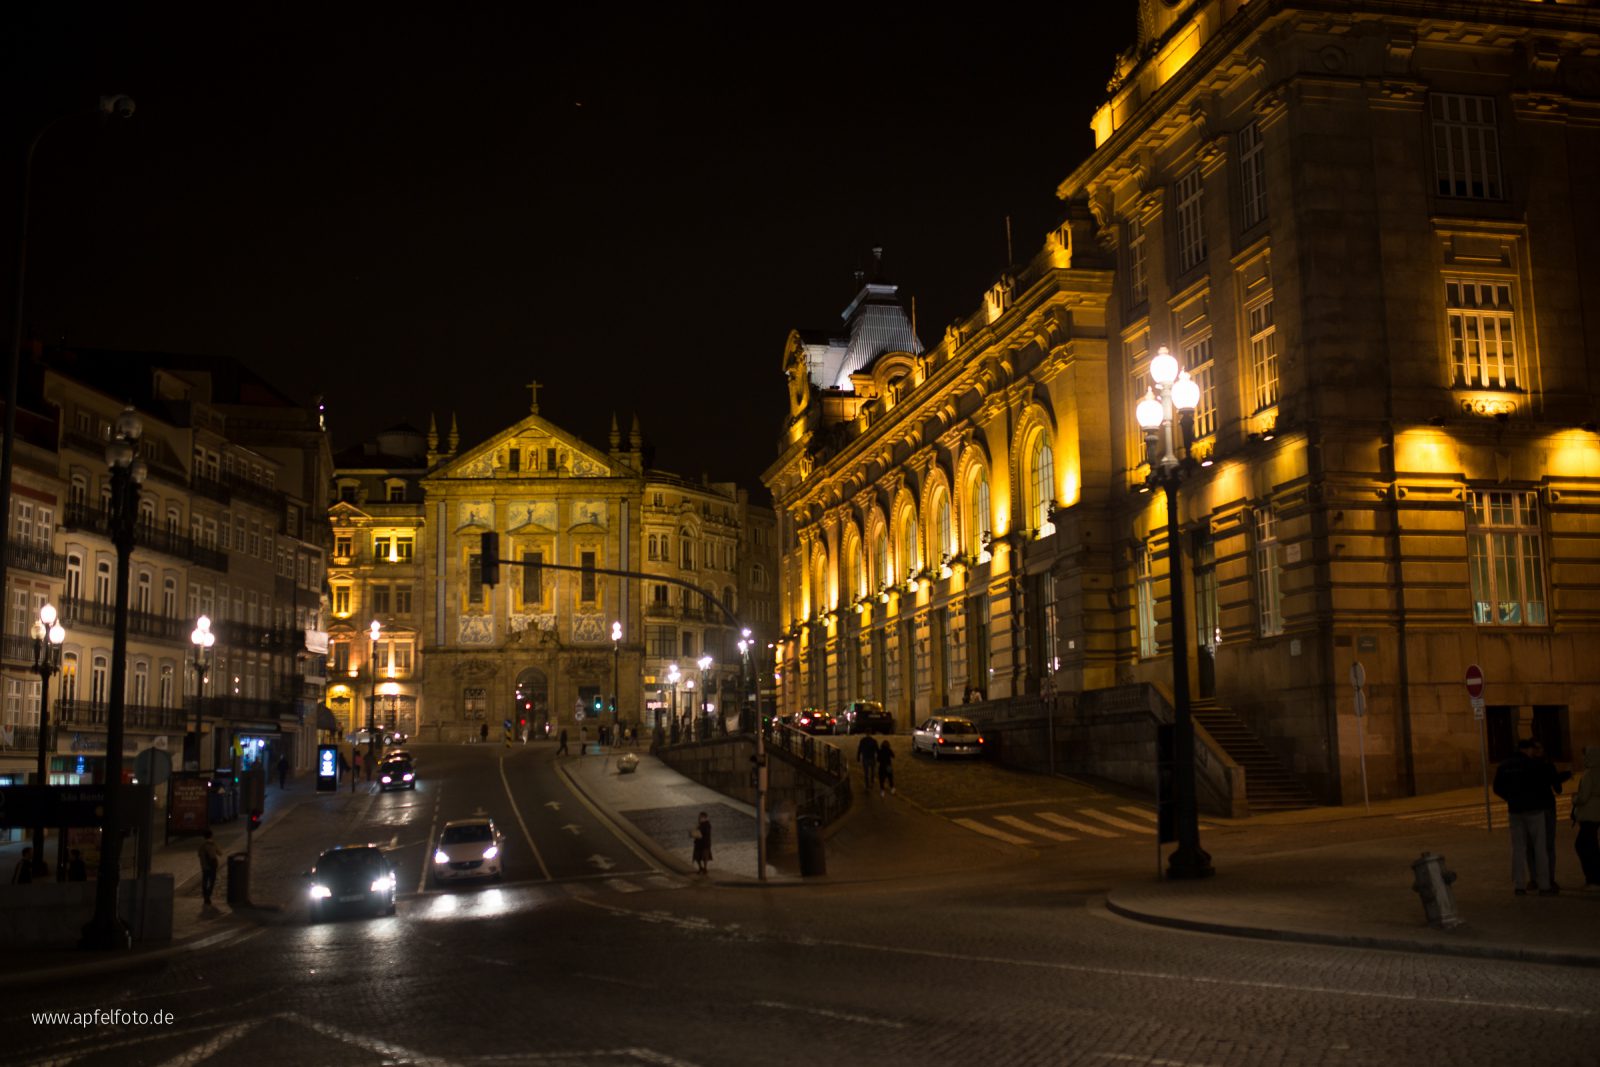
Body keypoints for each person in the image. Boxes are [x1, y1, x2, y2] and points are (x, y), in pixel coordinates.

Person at [1493, 737, 1559, 895]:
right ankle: (1544, 885)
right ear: (1528, 749)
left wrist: (1510, 798)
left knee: (1518, 848)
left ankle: (1519, 885)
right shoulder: (1534, 765)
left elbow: (1497, 787)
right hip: (1534, 810)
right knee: (1540, 847)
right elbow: (1543, 785)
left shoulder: (1505, 765)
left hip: (1515, 810)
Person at [1525, 740, 1572, 890]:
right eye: (1537, 748)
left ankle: (1535, 879)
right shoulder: (1546, 765)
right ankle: (1549, 879)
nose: (1539, 750)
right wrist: (1565, 775)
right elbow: (1556, 786)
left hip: (1533, 808)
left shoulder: (1525, 765)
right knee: (1546, 845)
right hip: (1544, 807)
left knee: (1534, 845)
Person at [1574, 744, 1600, 892]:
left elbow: (1583, 797)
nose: (1582, 758)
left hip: (1588, 814)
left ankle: (1593, 879)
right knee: (1592, 845)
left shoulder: (1589, 774)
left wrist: (1574, 799)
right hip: (1597, 814)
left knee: (1583, 846)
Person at [197, 830, 222, 907]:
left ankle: (205, 897)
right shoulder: (213, 844)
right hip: (212, 866)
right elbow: (220, 853)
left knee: (205, 881)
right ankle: (208, 895)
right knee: (212, 881)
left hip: (205, 866)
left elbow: (199, 855)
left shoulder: (202, 845)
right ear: (211, 835)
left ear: (204, 837)